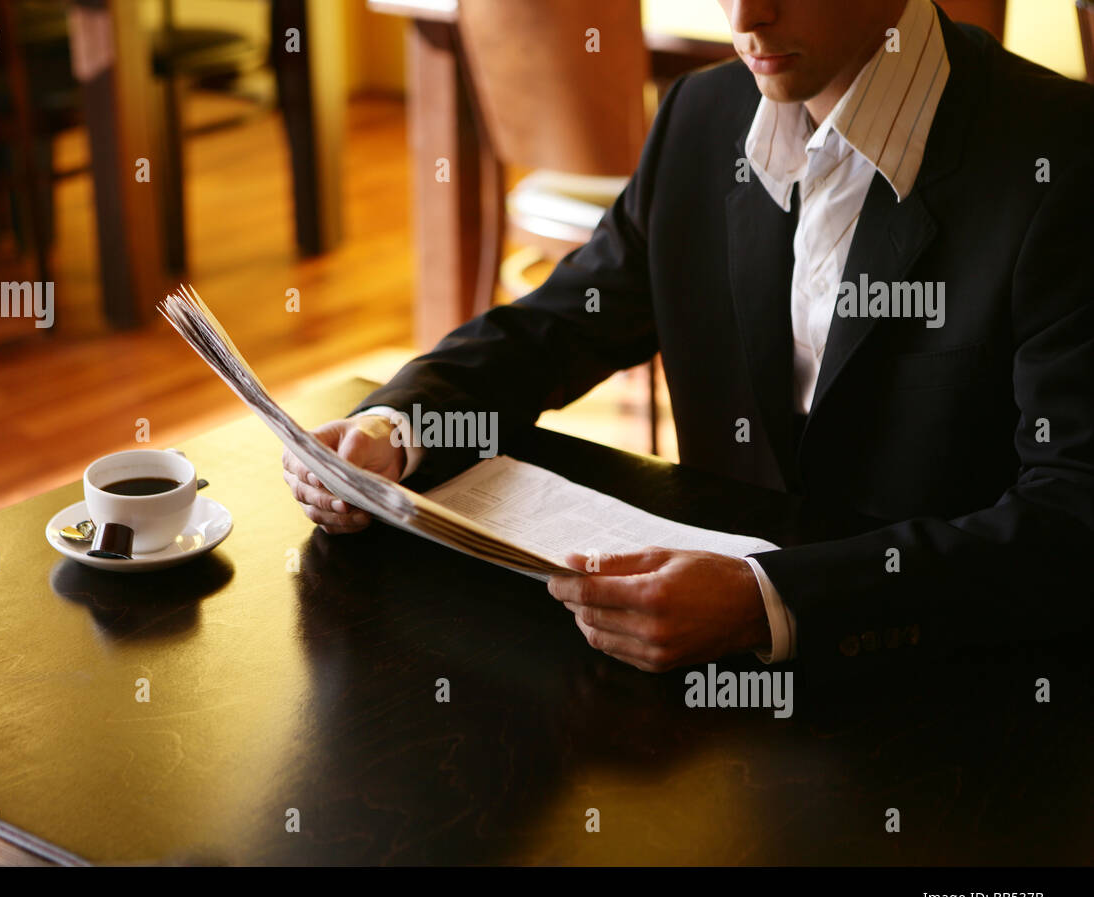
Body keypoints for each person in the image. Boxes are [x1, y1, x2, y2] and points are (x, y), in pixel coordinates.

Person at [282, 0, 1094, 673]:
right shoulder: (701, 116)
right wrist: (399, 425)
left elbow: (1072, 520)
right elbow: (563, 322)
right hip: (695, 699)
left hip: (959, 695)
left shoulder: (1061, 158)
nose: (745, 15)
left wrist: (768, 604)